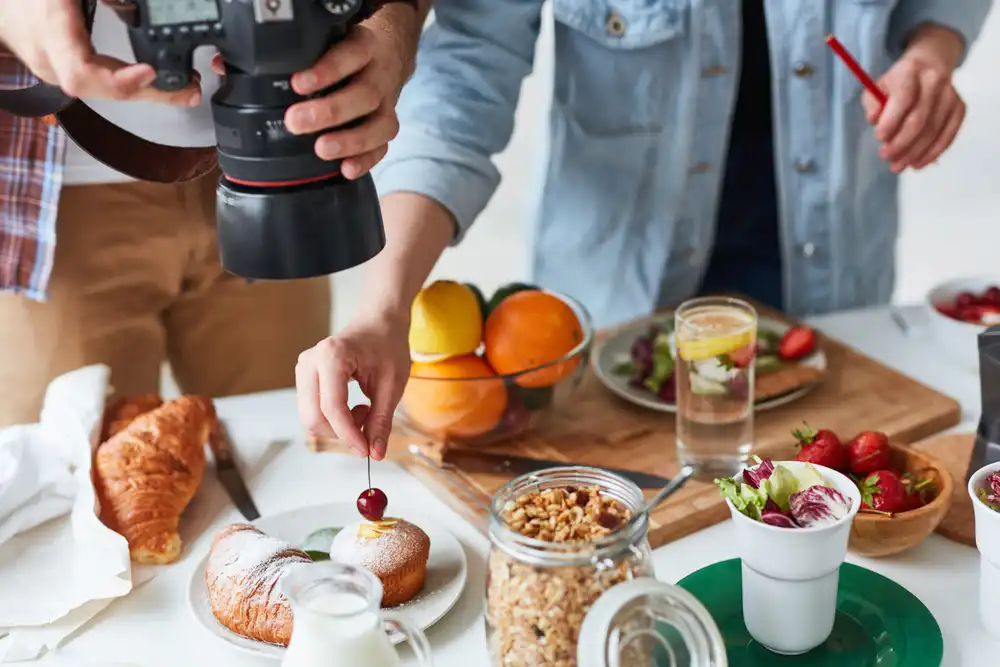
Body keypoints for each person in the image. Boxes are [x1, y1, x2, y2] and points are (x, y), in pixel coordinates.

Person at [295, 1, 992, 458]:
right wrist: (382, 308)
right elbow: (463, 84)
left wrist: (931, 49)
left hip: (833, 287)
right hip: (612, 316)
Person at [0, 0, 427, 426]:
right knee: (72, 469)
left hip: (286, 158)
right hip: (46, 203)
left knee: (295, 444)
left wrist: (395, 20)